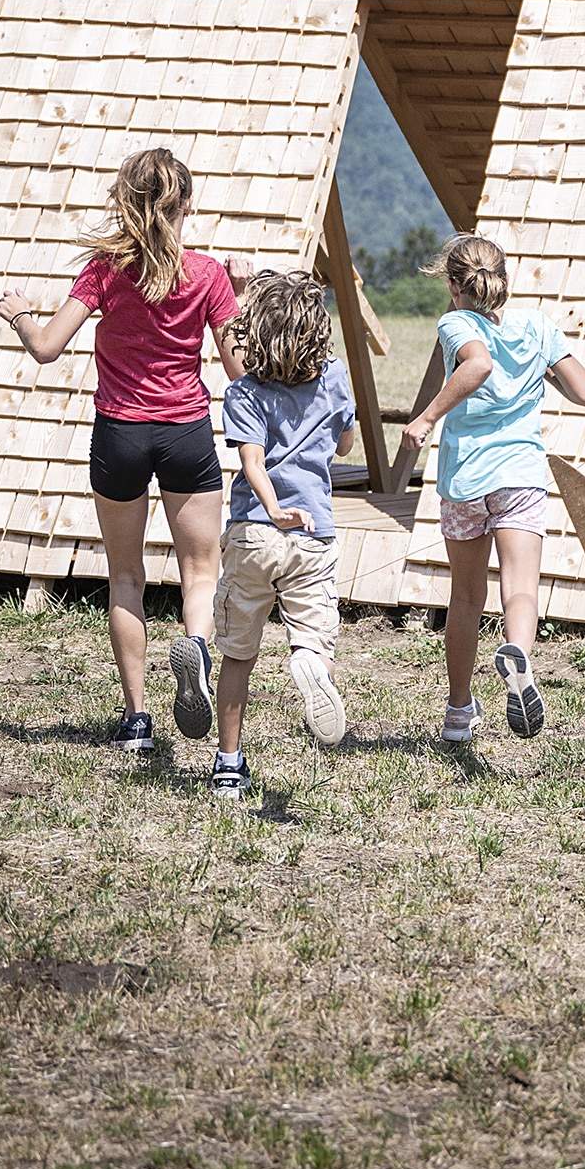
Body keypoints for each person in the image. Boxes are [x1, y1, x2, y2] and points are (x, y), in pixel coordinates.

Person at [0, 148, 249, 753]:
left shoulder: (105, 271)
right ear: (188, 204)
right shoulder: (208, 274)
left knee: (126, 578)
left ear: (125, 202)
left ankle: (137, 721)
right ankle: (198, 650)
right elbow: (239, 371)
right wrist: (240, 295)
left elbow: (48, 347)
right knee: (201, 572)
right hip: (185, 432)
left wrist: (21, 317)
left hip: (119, 435)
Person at [400, 234, 585, 744]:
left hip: (465, 478)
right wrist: (539, 366)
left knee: (465, 597)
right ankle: (519, 657)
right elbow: (584, 391)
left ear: (452, 285)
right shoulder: (536, 325)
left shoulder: (455, 323)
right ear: (505, 281)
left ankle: (459, 711)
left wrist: (425, 419)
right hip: (520, 475)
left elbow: (478, 362)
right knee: (522, 588)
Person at [209, 270, 356, 800]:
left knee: (238, 655)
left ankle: (228, 764)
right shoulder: (335, 378)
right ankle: (309, 663)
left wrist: (273, 509)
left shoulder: (242, 393)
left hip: (253, 533)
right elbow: (343, 447)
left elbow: (252, 464)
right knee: (314, 635)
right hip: (313, 533)